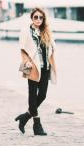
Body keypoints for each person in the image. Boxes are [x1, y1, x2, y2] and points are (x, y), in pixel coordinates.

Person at [15, 7, 57, 136]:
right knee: (32, 97)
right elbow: (22, 49)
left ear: (43, 19)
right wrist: (26, 60)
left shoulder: (46, 31)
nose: (38, 19)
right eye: (36, 17)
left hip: (45, 68)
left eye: (41, 17)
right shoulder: (26, 31)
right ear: (32, 18)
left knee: (43, 95)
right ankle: (37, 125)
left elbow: (52, 48)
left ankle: (25, 117)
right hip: (33, 67)